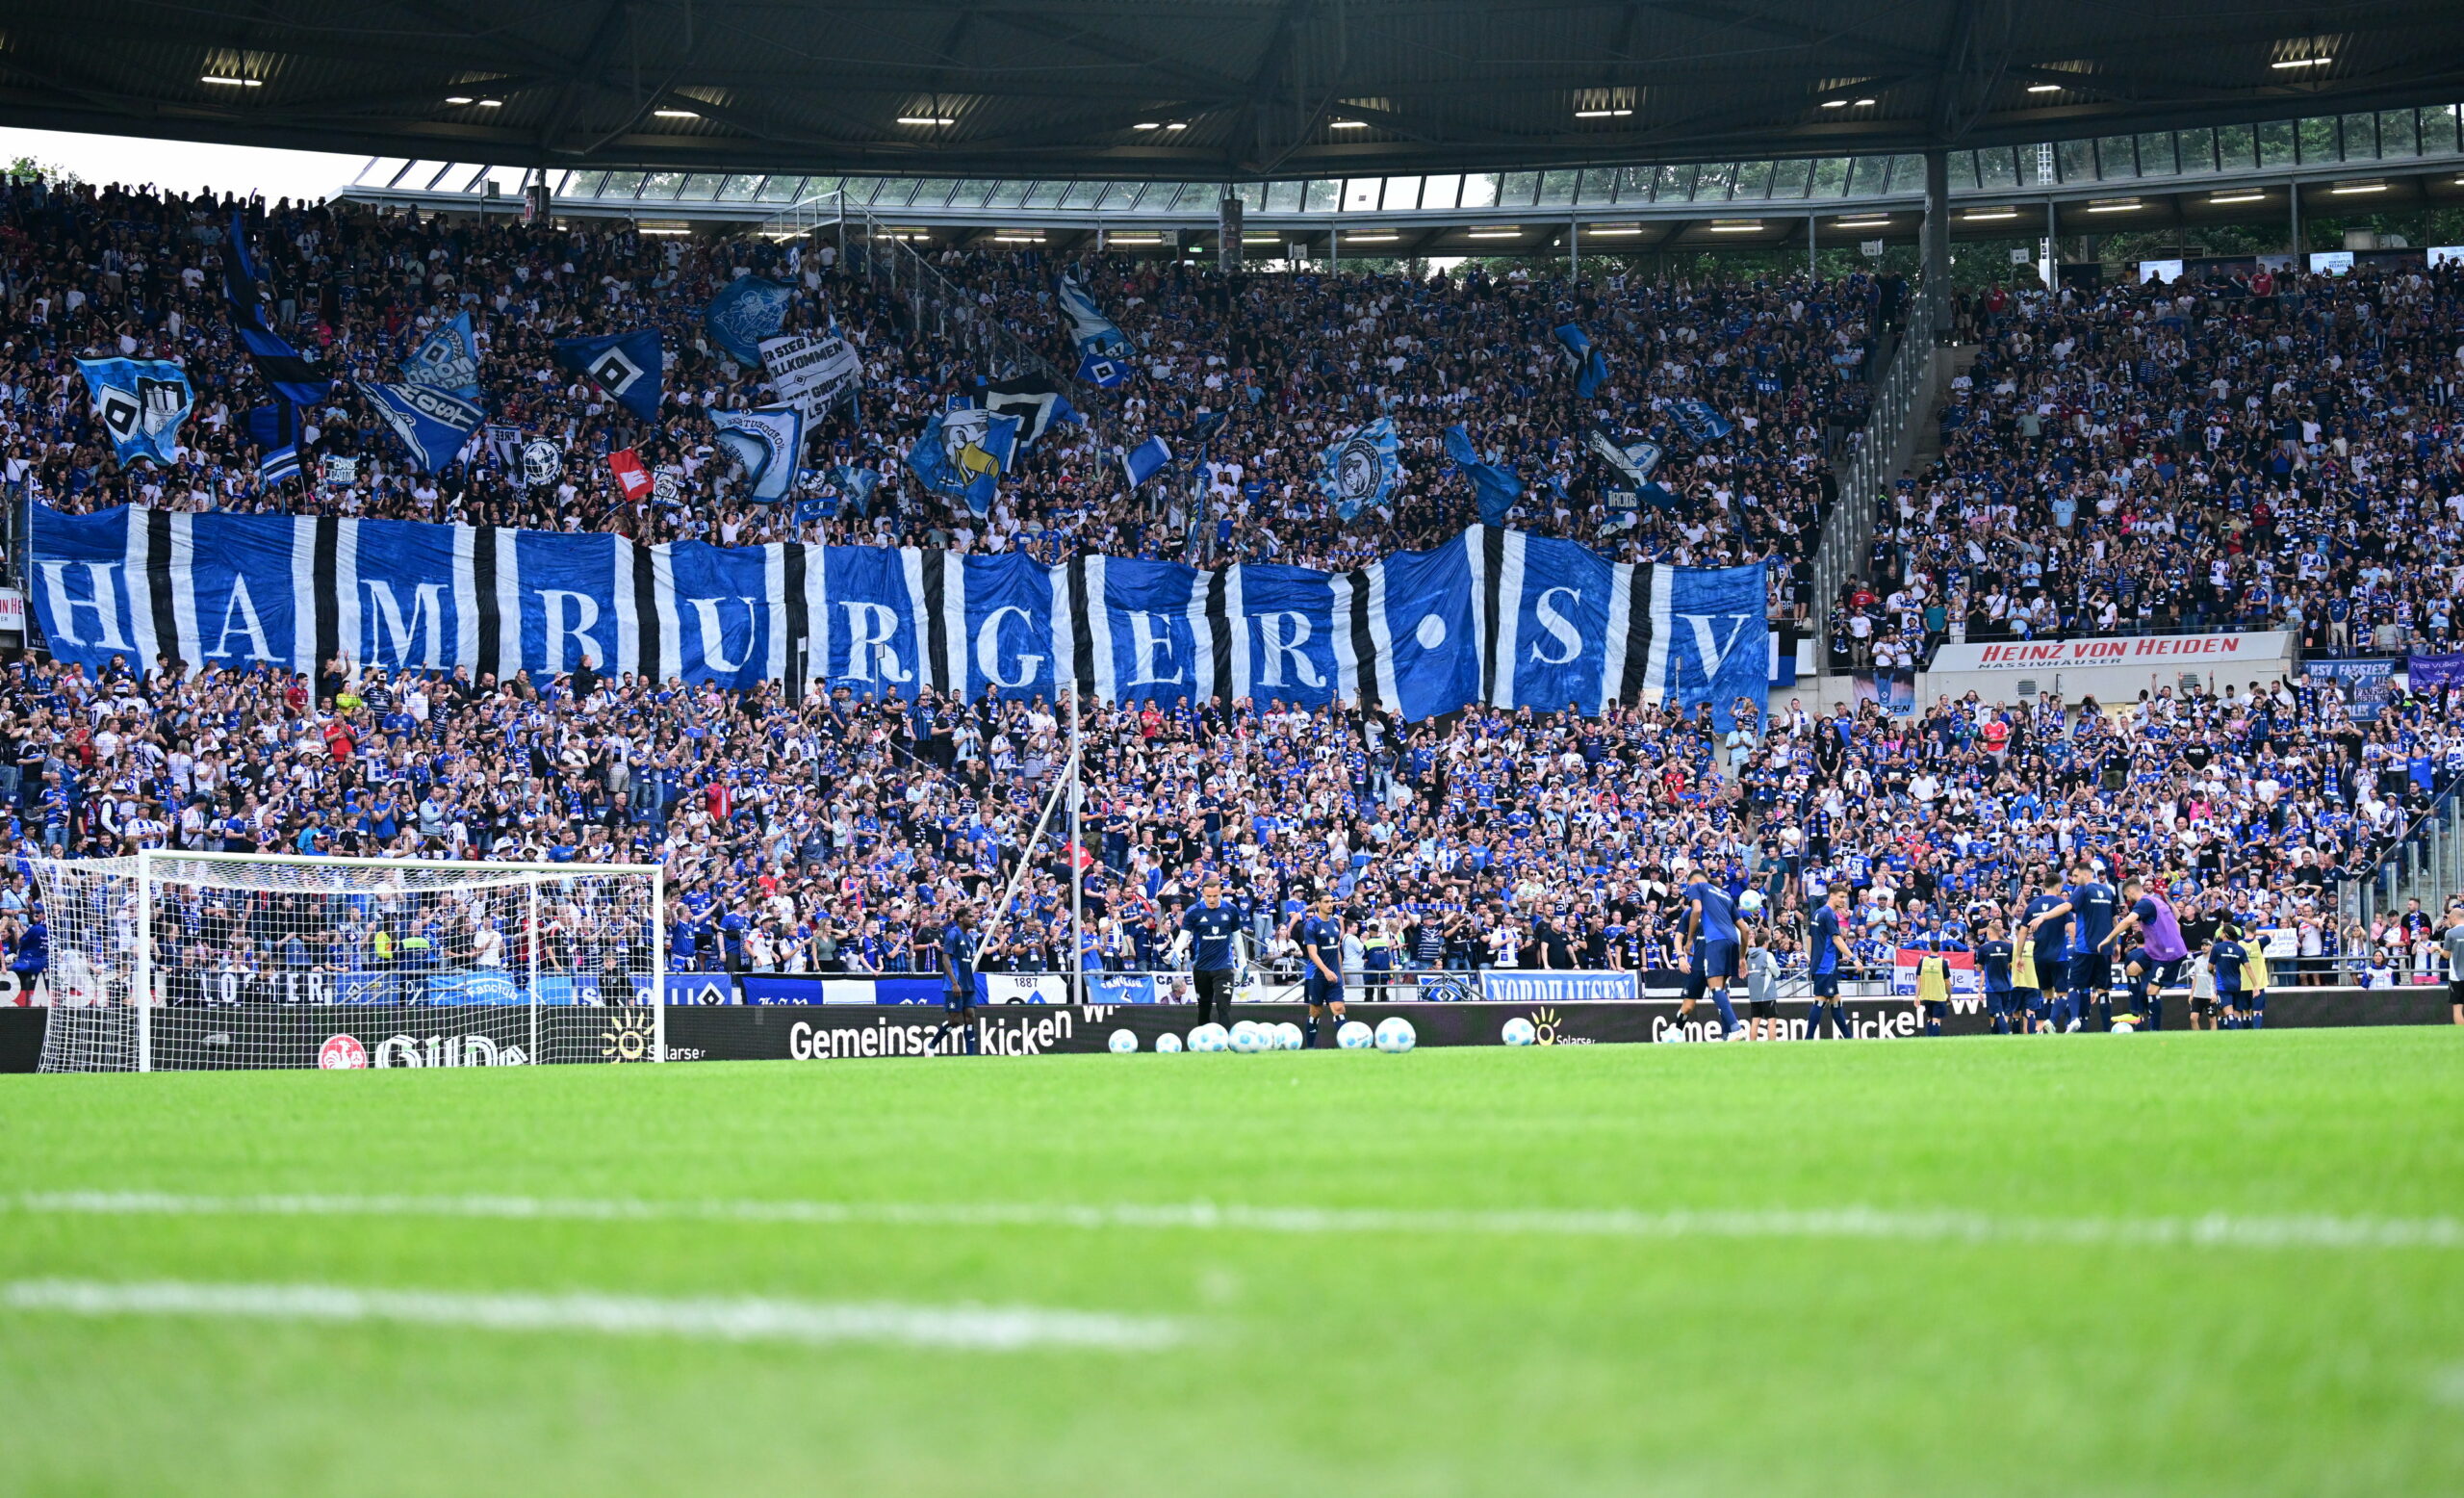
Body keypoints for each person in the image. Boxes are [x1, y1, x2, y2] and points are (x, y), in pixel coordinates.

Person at [2107, 877, 2192, 1031]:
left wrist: (2109, 938)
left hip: (2168, 954)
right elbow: (2177, 925)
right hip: (2156, 951)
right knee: (2131, 970)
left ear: (2130, 891)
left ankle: (2155, 1031)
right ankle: (2136, 1011)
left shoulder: (2144, 904)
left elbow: (2127, 921)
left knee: (2152, 990)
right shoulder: (2158, 901)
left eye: (2126, 896)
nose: (2127, 900)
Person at [1676, 869, 1745, 1041]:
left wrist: (1689, 940)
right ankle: (1678, 1033)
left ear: (1693, 882)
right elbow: (1745, 929)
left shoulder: (1696, 887)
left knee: (1716, 990)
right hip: (1730, 943)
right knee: (1714, 994)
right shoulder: (1725, 896)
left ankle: (1734, 1029)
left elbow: (1697, 909)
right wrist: (1742, 957)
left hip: (1715, 944)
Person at [1180, 879, 1244, 1029]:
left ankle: (1227, 1045)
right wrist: (1176, 950)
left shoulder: (1231, 909)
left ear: (1220, 893)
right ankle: (1204, 1044)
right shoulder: (1194, 911)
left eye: (1216, 896)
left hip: (1224, 967)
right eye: (1209, 896)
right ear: (1203, 894)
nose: (1212, 899)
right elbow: (1183, 935)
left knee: (1223, 1007)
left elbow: (1237, 937)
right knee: (1204, 1008)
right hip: (1201, 967)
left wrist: (1242, 963)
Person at [2019, 867, 2073, 1031]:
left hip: (2039, 956)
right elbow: (2071, 928)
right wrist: (2077, 947)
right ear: (2058, 887)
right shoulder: (2062, 905)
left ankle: (2044, 1028)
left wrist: (2019, 956)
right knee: (2062, 993)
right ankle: (2052, 1021)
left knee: (2046, 994)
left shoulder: (2032, 906)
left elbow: (2022, 931)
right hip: (2059, 955)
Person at [1297, 895, 1346, 1048]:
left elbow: (1336, 950)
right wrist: (1326, 971)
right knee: (1316, 1011)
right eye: (1326, 902)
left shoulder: (1335, 923)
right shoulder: (1312, 925)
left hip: (1334, 975)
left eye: (1331, 902)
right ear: (1318, 904)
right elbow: (1312, 953)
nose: (1330, 905)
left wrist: (1340, 973)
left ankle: (1346, 1047)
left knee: (1339, 1009)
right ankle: (1310, 1047)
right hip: (1316, 976)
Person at [1807, 886, 1854, 1039]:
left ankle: (1849, 1038)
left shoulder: (1817, 913)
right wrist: (1853, 958)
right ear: (1831, 895)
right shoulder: (1829, 914)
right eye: (1840, 897)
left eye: (1845, 897)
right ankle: (1807, 1039)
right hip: (1826, 965)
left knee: (1836, 1000)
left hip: (1820, 963)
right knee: (1820, 1000)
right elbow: (1836, 938)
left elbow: (1809, 937)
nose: (1843, 900)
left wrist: (1812, 957)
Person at [935, 904, 981, 1055]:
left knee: (971, 1017)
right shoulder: (952, 934)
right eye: (970, 916)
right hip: (954, 984)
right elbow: (945, 959)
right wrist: (954, 983)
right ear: (961, 918)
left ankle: (970, 1056)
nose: (973, 919)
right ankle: (932, 1044)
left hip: (968, 983)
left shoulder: (969, 937)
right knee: (955, 1021)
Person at [1743, 919, 1783, 1041]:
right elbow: (1777, 972)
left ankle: (1752, 1045)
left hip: (1754, 994)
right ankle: (1772, 1046)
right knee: (1771, 1021)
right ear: (1765, 942)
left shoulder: (1748, 956)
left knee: (1755, 1021)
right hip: (1767, 994)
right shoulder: (1767, 955)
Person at [1976, 917, 2016, 1035]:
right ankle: (1999, 1036)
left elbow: (1979, 968)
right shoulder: (2009, 946)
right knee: (2004, 1013)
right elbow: (2010, 965)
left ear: (1989, 932)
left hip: (1992, 987)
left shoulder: (1984, 948)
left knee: (1998, 1013)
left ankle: (2006, 1034)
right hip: (2007, 985)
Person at [2211, 921, 2255, 1029]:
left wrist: (2213, 972)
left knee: (2228, 1014)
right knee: (2236, 1014)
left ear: (2225, 934)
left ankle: (2234, 1036)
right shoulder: (2239, 949)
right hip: (2237, 985)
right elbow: (2248, 967)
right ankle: (2236, 1036)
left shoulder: (2217, 948)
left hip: (2223, 986)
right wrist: (2256, 985)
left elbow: (2210, 967)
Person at [2444, 908, 2464, 1026]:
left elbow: (2446, 955)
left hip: (2456, 976)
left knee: (2457, 1008)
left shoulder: (2450, 933)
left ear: (2455, 918)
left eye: (2450, 918)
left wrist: (2437, 949)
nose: (2449, 921)